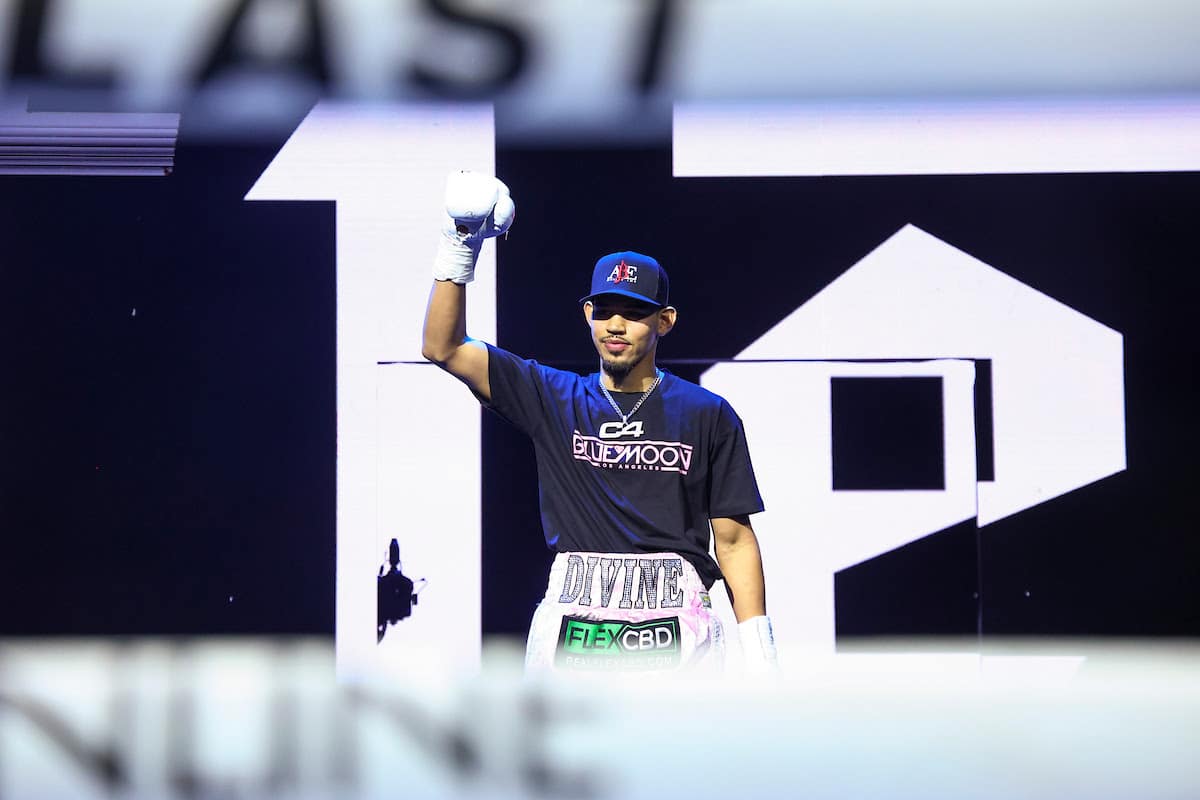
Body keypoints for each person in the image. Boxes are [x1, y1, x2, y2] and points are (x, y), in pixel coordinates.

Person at [421, 171, 776, 674]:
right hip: (574, 619)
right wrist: (459, 244)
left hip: (677, 622)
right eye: (605, 310)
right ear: (587, 312)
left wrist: (763, 661)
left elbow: (734, 539)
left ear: (665, 321)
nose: (615, 325)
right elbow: (444, 347)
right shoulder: (553, 396)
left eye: (634, 313)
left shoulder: (706, 413)